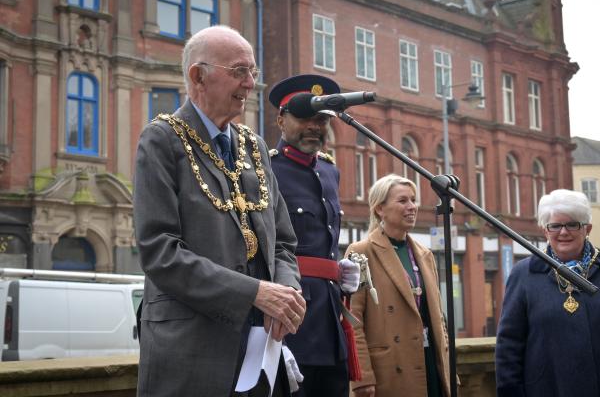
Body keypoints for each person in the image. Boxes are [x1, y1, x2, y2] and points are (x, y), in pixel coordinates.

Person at [133, 25, 306, 397]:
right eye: (239, 71)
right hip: (191, 352)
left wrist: (286, 296)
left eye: (253, 72)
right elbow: (160, 252)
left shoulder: (254, 146)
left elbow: (283, 244)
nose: (251, 83)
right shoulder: (162, 139)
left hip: (259, 355)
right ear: (199, 76)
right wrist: (253, 293)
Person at [268, 74, 361, 397]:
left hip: (329, 321)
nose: (315, 126)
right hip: (291, 323)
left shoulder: (329, 170)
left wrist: (338, 271)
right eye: (305, 117)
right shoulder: (266, 171)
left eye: (322, 119)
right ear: (281, 119)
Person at [346, 174, 451, 397]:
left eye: (413, 200)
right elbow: (351, 320)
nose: (412, 207)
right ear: (380, 209)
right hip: (389, 372)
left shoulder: (425, 255)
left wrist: (449, 369)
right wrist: (362, 378)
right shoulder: (361, 252)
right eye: (403, 201)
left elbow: (438, 318)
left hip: (430, 361)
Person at [496, 189, 600, 397]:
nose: (563, 232)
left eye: (572, 224)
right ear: (545, 231)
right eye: (555, 226)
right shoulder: (523, 274)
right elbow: (509, 346)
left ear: (587, 228)